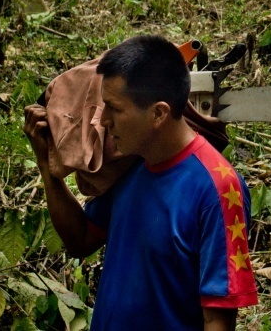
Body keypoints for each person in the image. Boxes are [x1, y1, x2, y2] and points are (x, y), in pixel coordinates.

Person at [23, 35, 258, 331]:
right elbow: (79, 239)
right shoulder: (132, 166)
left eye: (114, 108)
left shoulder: (218, 188)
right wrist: (47, 166)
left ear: (158, 113)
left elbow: (217, 320)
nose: (103, 120)